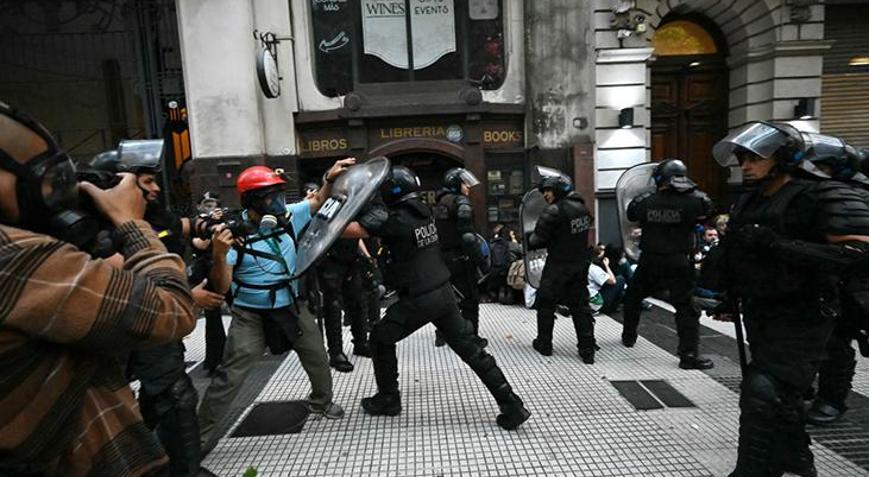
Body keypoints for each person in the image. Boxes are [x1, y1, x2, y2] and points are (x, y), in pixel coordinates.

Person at [0, 103, 196, 476]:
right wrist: (129, 222)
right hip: (65, 458)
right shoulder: (14, 257)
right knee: (169, 397)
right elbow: (170, 309)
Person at [709, 121, 869, 477]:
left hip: (804, 313)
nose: (745, 166)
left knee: (762, 392)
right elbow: (742, 248)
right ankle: (797, 459)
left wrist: (778, 245)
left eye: (754, 158)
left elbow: (858, 254)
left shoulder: (819, 194)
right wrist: (725, 287)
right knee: (783, 394)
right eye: (741, 159)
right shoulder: (751, 198)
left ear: (784, 158)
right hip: (761, 310)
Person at [342, 165, 530, 430]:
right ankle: (512, 404)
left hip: (418, 298)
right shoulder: (423, 213)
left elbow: (348, 230)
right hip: (442, 292)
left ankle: (388, 398)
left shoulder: (396, 220)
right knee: (473, 352)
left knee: (380, 338)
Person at [199, 160, 354, 449]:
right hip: (250, 314)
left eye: (279, 194)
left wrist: (329, 177)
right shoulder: (235, 235)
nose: (279, 202)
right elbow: (221, 287)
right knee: (230, 374)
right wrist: (219, 255)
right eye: (271, 196)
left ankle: (321, 401)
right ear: (253, 201)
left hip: (290, 305)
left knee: (316, 356)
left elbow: (319, 201)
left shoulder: (289, 216)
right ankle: (200, 437)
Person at [92, 140, 213, 475]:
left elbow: (183, 226)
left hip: (152, 332)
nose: (156, 188)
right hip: (114, 331)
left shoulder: (155, 217)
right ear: (115, 185)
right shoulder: (97, 234)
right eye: (145, 181)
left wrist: (213, 224)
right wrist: (189, 296)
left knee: (175, 395)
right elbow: (127, 278)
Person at [620, 159, 715, 370]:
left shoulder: (646, 201)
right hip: (680, 261)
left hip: (650, 259)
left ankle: (629, 335)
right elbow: (707, 209)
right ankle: (688, 355)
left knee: (633, 296)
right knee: (685, 308)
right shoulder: (694, 201)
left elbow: (631, 214)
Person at [801, 139, 869, 426]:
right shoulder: (815, 192)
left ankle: (832, 399)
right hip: (821, 279)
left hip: (853, 282)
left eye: (821, 167)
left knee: (836, 342)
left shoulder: (855, 195)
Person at [526, 173, 596, 363]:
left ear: (558, 190)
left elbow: (536, 241)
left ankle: (544, 344)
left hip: (558, 265)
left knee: (545, 303)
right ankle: (587, 349)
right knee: (580, 306)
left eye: (548, 190)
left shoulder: (553, 211)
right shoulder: (582, 207)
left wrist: (530, 235)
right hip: (579, 264)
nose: (546, 195)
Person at [432, 167, 488, 348]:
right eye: (465, 184)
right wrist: (481, 261)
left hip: (442, 259)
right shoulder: (461, 202)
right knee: (470, 300)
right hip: (461, 258)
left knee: (446, 299)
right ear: (456, 184)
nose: (468, 188)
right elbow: (468, 237)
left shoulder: (440, 203)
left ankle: (442, 335)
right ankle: (472, 338)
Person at [318, 238, 372, 372]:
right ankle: (336, 352)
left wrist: (366, 255)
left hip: (351, 255)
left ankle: (361, 342)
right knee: (333, 307)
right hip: (329, 256)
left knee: (358, 300)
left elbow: (355, 233)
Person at [190, 191, 228, 374]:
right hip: (206, 273)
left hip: (226, 268)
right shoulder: (195, 223)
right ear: (199, 206)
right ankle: (215, 360)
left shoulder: (223, 219)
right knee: (213, 318)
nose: (210, 207)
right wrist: (211, 225)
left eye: (213, 203)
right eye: (206, 203)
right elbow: (200, 244)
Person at [588, 245, 625, 314]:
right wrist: (607, 265)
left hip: (584, 299)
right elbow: (613, 281)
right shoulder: (593, 268)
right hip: (594, 303)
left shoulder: (582, 266)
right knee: (620, 279)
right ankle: (612, 308)